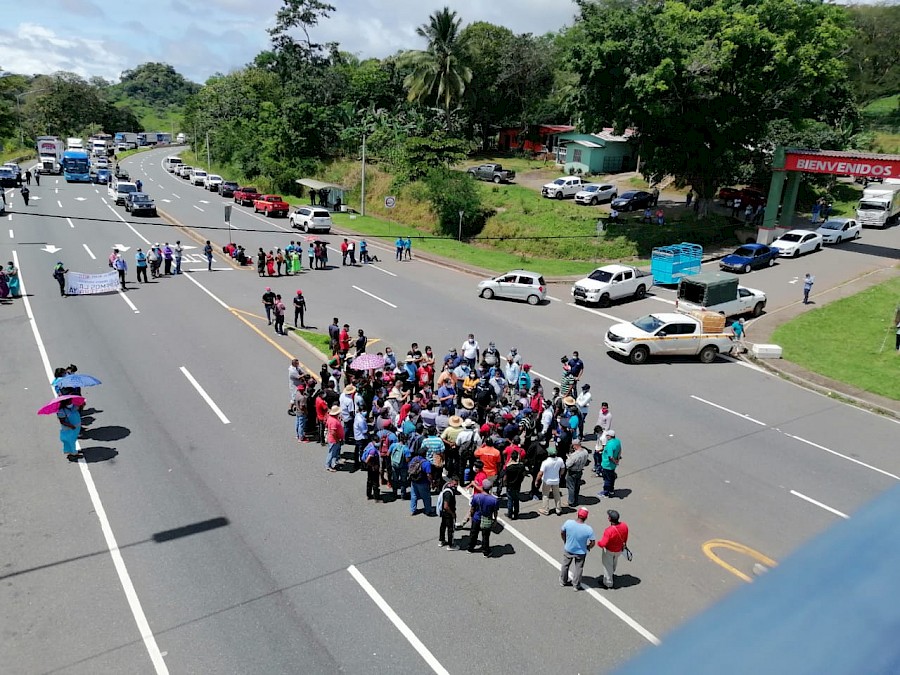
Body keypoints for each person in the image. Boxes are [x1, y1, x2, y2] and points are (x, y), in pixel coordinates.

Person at [560, 508, 595, 591]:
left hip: (568, 548)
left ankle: (563, 581)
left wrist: (565, 541)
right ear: (586, 517)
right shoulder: (588, 529)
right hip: (581, 552)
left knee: (565, 565)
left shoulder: (568, 523)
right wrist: (588, 547)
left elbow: (562, 532)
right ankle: (576, 585)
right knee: (579, 568)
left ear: (578, 514)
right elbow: (593, 542)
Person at [465, 478, 499, 556]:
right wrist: (495, 520)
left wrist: (470, 516)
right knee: (485, 536)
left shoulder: (476, 497)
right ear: (490, 488)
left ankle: (470, 548)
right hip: (487, 518)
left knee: (473, 533)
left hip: (476, 518)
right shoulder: (494, 500)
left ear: (482, 487)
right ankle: (486, 551)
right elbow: (495, 512)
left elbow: (472, 508)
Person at [597, 509, 629, 589]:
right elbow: (625, 538)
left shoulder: (609, 531)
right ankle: (611, 574)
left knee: (607, 565)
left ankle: (608, 583)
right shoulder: (624, 526)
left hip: (609, 550)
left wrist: (598, 543)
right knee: (614, 562)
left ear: (610, 519)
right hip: (619, 550)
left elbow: (603, 543)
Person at [537, 446, 564, 516]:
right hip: (556, 480)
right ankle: (558, 509)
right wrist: (560, 474)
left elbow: (540, 473)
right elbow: (563, 469)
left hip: (547, 481)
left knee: (545, 495)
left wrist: (537, 480)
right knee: (557, 495)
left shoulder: (545, 462)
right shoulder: (560, 460)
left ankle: (546, 510)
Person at [408, 448, 435, 516]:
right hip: (423, 482)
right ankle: (428, 510)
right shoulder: (426, 463)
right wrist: (432, 483)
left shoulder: (414, 459)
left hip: (414, 481)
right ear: (425, 454)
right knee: (426, 497)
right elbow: (428, 474)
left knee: (414, 496)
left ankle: (413, 510)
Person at [565, 441, 590, 507]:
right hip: (580, 471)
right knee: (577, 486)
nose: (573, 447)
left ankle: (571, 502)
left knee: (571, 487)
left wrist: (568, 457)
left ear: (575, 445)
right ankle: (576, 499)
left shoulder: (574, 455)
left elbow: (567, 465)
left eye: (573, 446)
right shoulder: (585, 452)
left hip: (572, 472)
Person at [438, 474, 459, 549]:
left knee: (443, 526)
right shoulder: (449, 493)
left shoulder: (446, 487)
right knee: (451, 529)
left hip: (444, 512)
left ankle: (442, 540)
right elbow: (446, 506)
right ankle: (451, 545)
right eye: (455, 484)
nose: (456, 486)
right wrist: (452, 514)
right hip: (448, 513)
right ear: (451, 482)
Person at [57, 397, 82, 461]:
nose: (71, 403)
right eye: (69, 402)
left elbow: (78, 409)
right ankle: (73, 454)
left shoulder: (73, 406)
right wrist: (70, 426)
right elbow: (62, 421)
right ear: (65, 403)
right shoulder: (61, 411)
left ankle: (73, 451)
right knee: (70, 441)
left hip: (76, 428)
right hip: (69, 429)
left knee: (73, 439)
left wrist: (82, 405)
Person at [503, 450, 526, 519]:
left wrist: (504, 483)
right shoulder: (521, 466)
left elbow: (505, 478)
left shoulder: (509, 468)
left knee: (510, 499)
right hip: (518, 485)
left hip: (510, 485)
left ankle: (510, 514)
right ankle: (516, 513)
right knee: (516, 499)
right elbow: (523, 475)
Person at [600, 430, 621, 498]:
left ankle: (606, 493)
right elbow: (620, 450)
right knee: (611, 478)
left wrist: (615, 462)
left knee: (607, 479)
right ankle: (611, 490)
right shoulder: (617, 441)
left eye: (607, 435)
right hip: (612, 465)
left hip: (607, 464)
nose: (606, 437)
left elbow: (610, 457)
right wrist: (617, 459)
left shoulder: (610, 444)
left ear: (610, 436)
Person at [324, 405, 344, 472]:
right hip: (334, 440)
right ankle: (328, 466)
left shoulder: (331, 418)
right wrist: (337, 439)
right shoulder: (333, 421)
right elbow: (333, 432)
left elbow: (327, 425)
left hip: (333, 439)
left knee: (334, 452)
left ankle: (333, 463)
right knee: (332, 453)